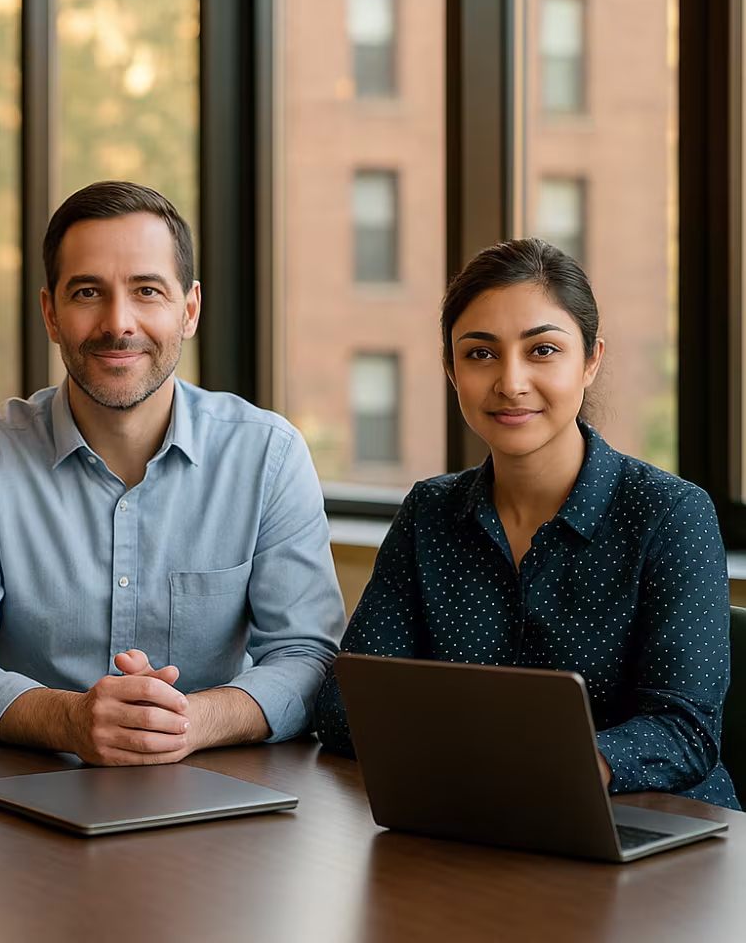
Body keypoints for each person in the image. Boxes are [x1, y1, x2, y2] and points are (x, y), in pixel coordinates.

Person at [0, 181, 344, 766]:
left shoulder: (268, 455)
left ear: (189, 308)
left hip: (219, 795)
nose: (117, 322)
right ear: (50, 312)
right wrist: (67, 720)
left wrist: (193, 720)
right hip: (24, 789)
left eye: (147, 291)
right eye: (87, 292)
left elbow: (309, 656)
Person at [315, 238, 738, 809]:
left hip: (655, 831)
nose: (510, 382)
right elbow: (346, 704)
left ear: (591, 360)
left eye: (542, 351)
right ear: (450, 368)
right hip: (476, 820)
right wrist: (490, 767)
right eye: (481, 354)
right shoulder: (430, 513)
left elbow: (684, 731)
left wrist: (540, 766)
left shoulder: (671, 514)